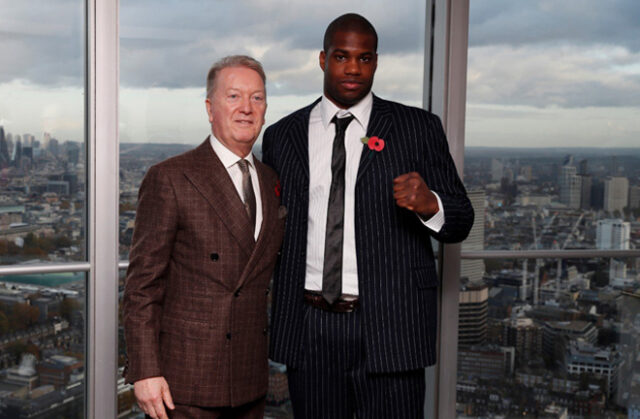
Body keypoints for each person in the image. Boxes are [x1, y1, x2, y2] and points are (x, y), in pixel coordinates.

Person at [262, 14, 473, 418]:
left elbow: (462, 218)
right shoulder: (282, 135)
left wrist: (430, 203)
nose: (354, 68)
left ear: (376, 62)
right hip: (309, 326)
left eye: (365, 58)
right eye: (342, 56)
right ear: (323, 60)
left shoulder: (417, 128)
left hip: (391, 324)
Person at [123, 55, 285, 419]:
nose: (246, 108)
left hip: (250, 379)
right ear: (210, 108)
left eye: (256, 98)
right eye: (234, 96)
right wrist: (145, 371)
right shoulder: (171, 177)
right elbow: (142, 286)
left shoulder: (271, 180)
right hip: (185, 382)